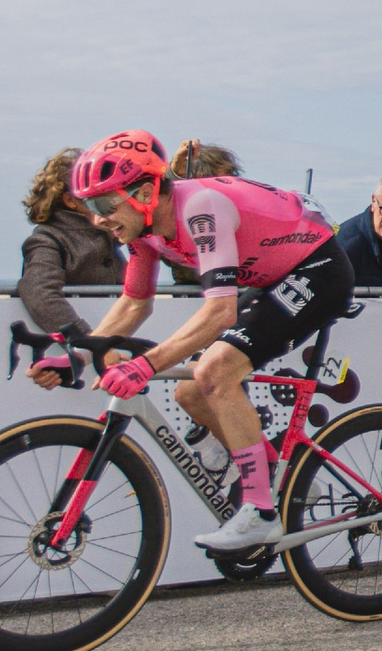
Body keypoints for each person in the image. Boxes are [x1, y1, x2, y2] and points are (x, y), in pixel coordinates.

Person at [46, 130, 350, 553]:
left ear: (146, 191)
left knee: (216, 371)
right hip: (272, 277)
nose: (96, 219)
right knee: (191, 392)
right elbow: (134, 304)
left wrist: (144, 365)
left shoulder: (201, 210)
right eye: (88, 207)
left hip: (319, 269)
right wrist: (76, 357)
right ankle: (283, 476)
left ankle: (261, 512)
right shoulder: (144, 230)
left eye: (102, 204)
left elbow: (219, 312)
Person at [17, 147, 126, 334]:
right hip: (89, 350)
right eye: (96, 190)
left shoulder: (107, 232)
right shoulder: (47, 240)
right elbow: (39, 293)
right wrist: (86, 341)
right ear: (70, 200)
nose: (109, 196)